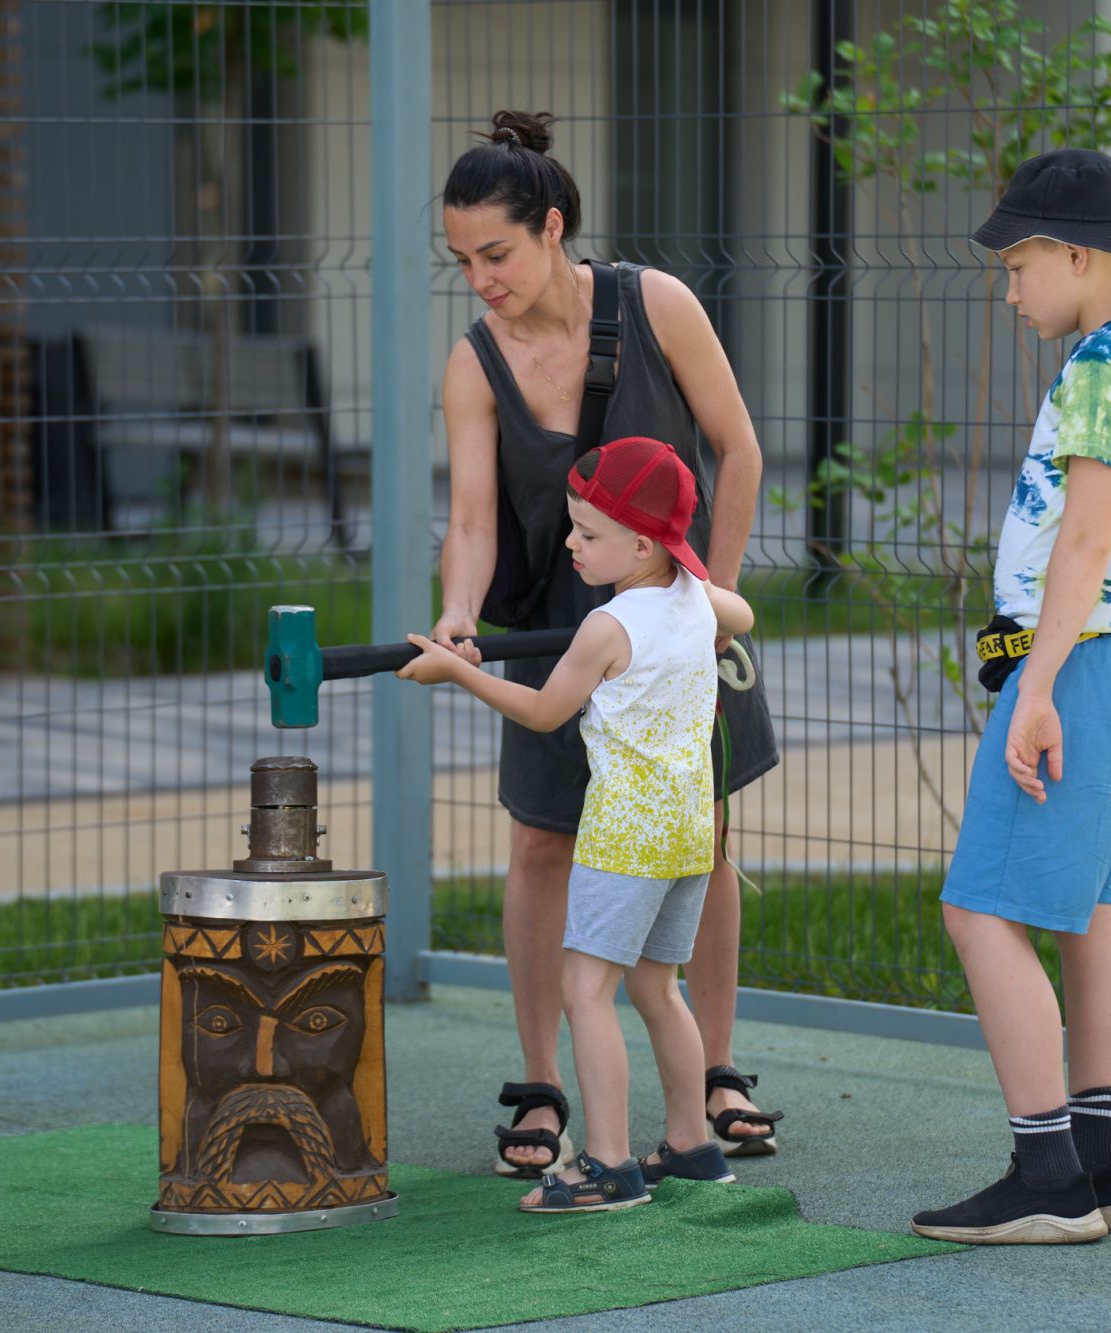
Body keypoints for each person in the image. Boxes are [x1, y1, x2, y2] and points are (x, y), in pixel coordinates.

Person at [433, 109, 782, 1178]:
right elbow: (475, 523)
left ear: (550, 228)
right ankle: (542, 1085)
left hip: (678, 626)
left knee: (703, 837)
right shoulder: (474, 363)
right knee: (542, 842)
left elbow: (739, 451)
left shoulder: (654, 305)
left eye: (494, 253)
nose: (478, 278)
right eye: (460, 260)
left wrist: (700, 605)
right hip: (551, 630)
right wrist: (457, 615)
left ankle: (712, 1071)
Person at [910, 149, 1111, 1245]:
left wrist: (1034, 689)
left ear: (1077, 255)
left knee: (977, 906)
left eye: (1017, 261)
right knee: (1093, 913)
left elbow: (1084, 536)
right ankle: (1098, 1164)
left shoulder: (1095, 367)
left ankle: (1045, 1175)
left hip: (1076, 665)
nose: (1009, 283)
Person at [399, 436, 755, 1212]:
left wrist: (458, 669)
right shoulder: (696, 601)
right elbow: (743, 609)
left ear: (641, 542)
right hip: (692, 835)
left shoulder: (608, 626)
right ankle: (693, 1144)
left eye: (587, 533)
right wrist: (708, 609)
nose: (569, 543)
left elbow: (542, 710)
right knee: (659, 987)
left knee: (586, 989)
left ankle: (608, 1162)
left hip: (626, 835)